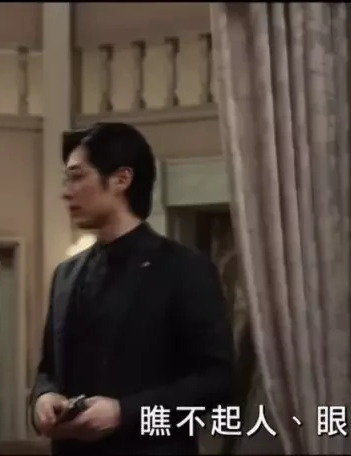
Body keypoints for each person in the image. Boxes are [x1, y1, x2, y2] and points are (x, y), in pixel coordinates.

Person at [30, 122, 235, 455]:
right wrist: (43, 397)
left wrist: (123, 413)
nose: (66, 191)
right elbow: (48, 370)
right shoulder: (66, 275)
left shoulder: (183, 268)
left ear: (121, 179)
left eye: (77, 177)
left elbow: (218, 381)